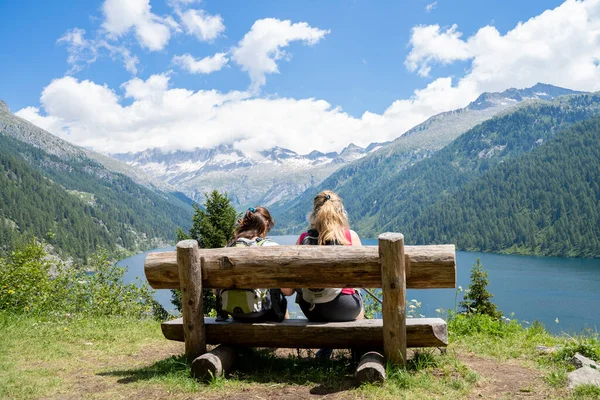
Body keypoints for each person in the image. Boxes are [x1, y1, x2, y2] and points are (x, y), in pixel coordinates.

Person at [283, 190, 364, 323]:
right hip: (343, 306)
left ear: (315, 213)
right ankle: (356, 342)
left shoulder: (303, 238)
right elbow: (361, 279)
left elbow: (289, 290)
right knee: (357, 296)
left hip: (311, 308)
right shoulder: (350, 237)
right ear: (341, 213)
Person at [216, 206, 287, 322]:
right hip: (261, 312)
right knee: (279, 297)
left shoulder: (228, 247)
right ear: (265, 225)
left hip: (233, 311)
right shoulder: (271, 247)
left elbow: (216, 290)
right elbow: (287, 290)